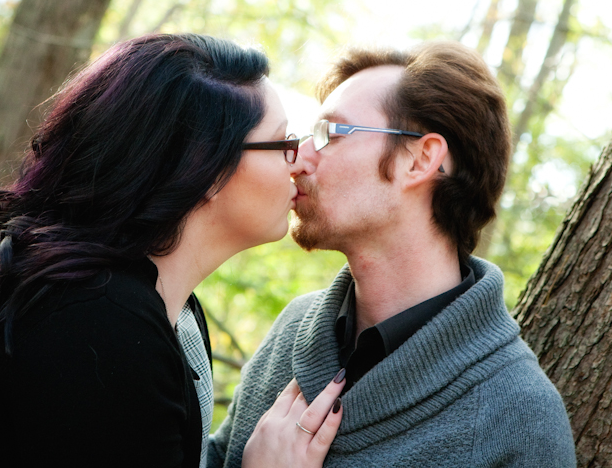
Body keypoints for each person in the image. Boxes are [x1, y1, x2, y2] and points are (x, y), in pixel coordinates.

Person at [0, 33, 344, 468]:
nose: (301, 161)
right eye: (284, 142)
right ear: (204, 168)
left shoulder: (162, 314)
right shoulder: (94, 318)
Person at [207, 41, 577, 467]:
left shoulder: (520, 418)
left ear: (420, 160)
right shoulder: (295, 329)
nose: (299, 158)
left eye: (330, 134)